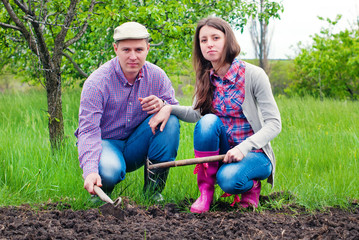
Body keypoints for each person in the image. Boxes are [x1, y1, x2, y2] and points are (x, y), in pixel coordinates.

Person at [149, 16, 281, 213]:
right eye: (204, 40)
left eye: (215, 38)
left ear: (227, 40)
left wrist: (244, 148)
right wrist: (168, 107)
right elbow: (196, 115)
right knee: (208, 122)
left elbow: (274, 124)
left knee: (228, 180)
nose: (209, 44)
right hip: (224, 153)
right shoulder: (205, 77)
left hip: (255, 153)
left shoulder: (253, 75)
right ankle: (205, 193)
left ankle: (251, 186)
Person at [75, 22, 180, 201]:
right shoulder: (96, 83)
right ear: (116, 49)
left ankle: (152, 193)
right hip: (106, 144)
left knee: (170, 120)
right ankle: (100, 193)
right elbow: (88, 131)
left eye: (139, 50)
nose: (133, 56)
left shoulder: (158, 76)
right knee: (109, 172)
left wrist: (163, 105)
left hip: (137, 144)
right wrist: (90, 170)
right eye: (126, 50)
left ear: (147, 48)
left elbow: (175, 108)